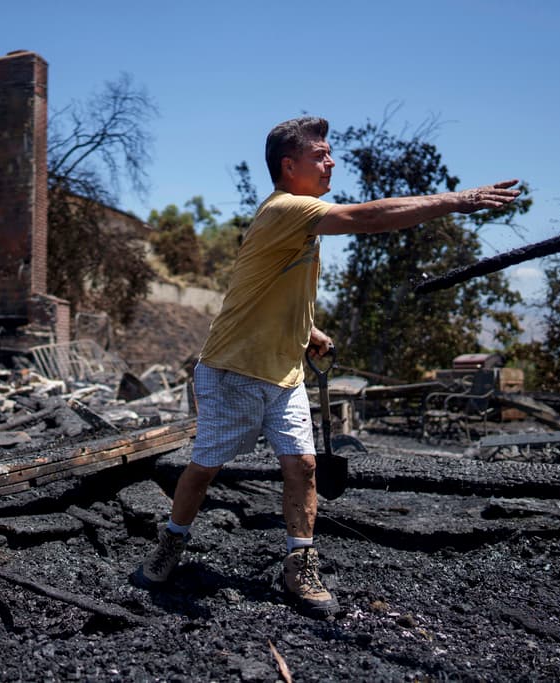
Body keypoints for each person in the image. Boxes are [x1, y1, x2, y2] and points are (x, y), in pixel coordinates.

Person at [131, 115, 521, 617]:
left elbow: (269, 287)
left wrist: (308, 330)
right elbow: (368, 219)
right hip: (234, 369)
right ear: (289, 166)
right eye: (320, 155)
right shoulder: (285, 209)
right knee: (205, 467)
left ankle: (299, 564)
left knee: (305, 465)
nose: (331, 161)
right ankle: (171, 543)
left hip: (284, 372)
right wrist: (458, 200)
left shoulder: (296, 221)